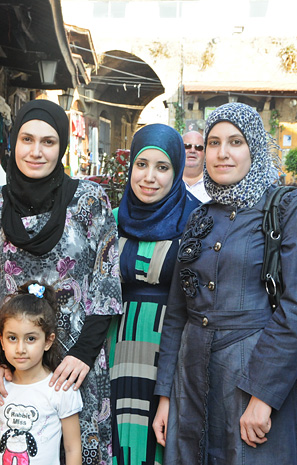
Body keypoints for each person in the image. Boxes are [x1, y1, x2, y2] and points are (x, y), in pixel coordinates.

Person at [152, 102, 297, 464]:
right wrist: (166, 396)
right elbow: (177, 314)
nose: (222, 153)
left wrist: (263, 397)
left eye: (235, 142)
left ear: (254, 149)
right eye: (213, 143)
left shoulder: (289, 208)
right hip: (191, 379)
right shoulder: (198, 217)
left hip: (251, 373)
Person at [0, 98, 123, 465]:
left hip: (73, 365)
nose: (36, 151)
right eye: (27, 140)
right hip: (14, 362)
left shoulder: (89, 202)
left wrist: (83, 356)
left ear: (62, 147)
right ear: (13, 143)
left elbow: (105, 283)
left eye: (48, 142)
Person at [108, 124, 201, 465]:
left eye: (162, 168)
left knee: (160, 441)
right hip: (113, 345)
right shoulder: (112, 219)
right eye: (141, 164)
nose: (149, 177)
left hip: (168, 348)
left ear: (176, 172)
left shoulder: (195, 221)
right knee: (116, 437)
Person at [0, 280, 82, 465]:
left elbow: (72, 448)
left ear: (47, 341)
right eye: (12, 338)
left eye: (30, 339)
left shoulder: (60, 390)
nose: (20, 349)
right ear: (1, 339)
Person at [182, 131, 210, 203]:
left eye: (198, 147)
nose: (192, 150)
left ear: (205, 153)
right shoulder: (169, 182)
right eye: (187, 146)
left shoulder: (214, 186)